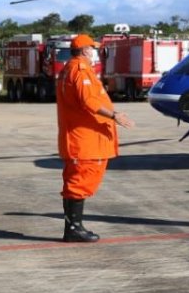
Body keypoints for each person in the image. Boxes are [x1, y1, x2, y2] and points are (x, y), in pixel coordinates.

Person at [56, 34, 135, 242]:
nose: (95, 53)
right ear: (84, 50)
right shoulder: (80, 70)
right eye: (93, 49)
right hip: (85, 140)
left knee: (77, 182)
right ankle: (73, 229)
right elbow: (88, 100)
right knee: (79, 182)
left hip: (83, 139)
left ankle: (74, 227)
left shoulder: (69, 69)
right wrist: (114, 115)